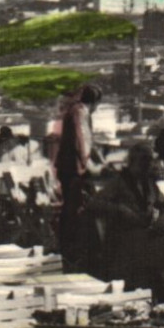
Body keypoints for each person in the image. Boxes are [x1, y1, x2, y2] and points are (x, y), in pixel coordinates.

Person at [87, 142, 164, 291]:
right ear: (133, 163)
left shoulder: (150, 184)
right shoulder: (119, 183)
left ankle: (162, 291)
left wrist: (162, 217)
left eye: (149, 162)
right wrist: (119, 209)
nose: (147, 166)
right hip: (122, 239)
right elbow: (94, 204)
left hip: (144, 235)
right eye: (143, 162)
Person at [54, 84, 104, 258]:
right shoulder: (80, 113)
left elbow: (89, 141)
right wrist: (87, 163)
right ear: (95, 102)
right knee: (72, 206)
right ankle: (69, 244)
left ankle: (71, 243)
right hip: (72, 169)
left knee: (73, 205)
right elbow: (80, 141)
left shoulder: (78, 111)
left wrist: (99, 160)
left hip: (71, 167)